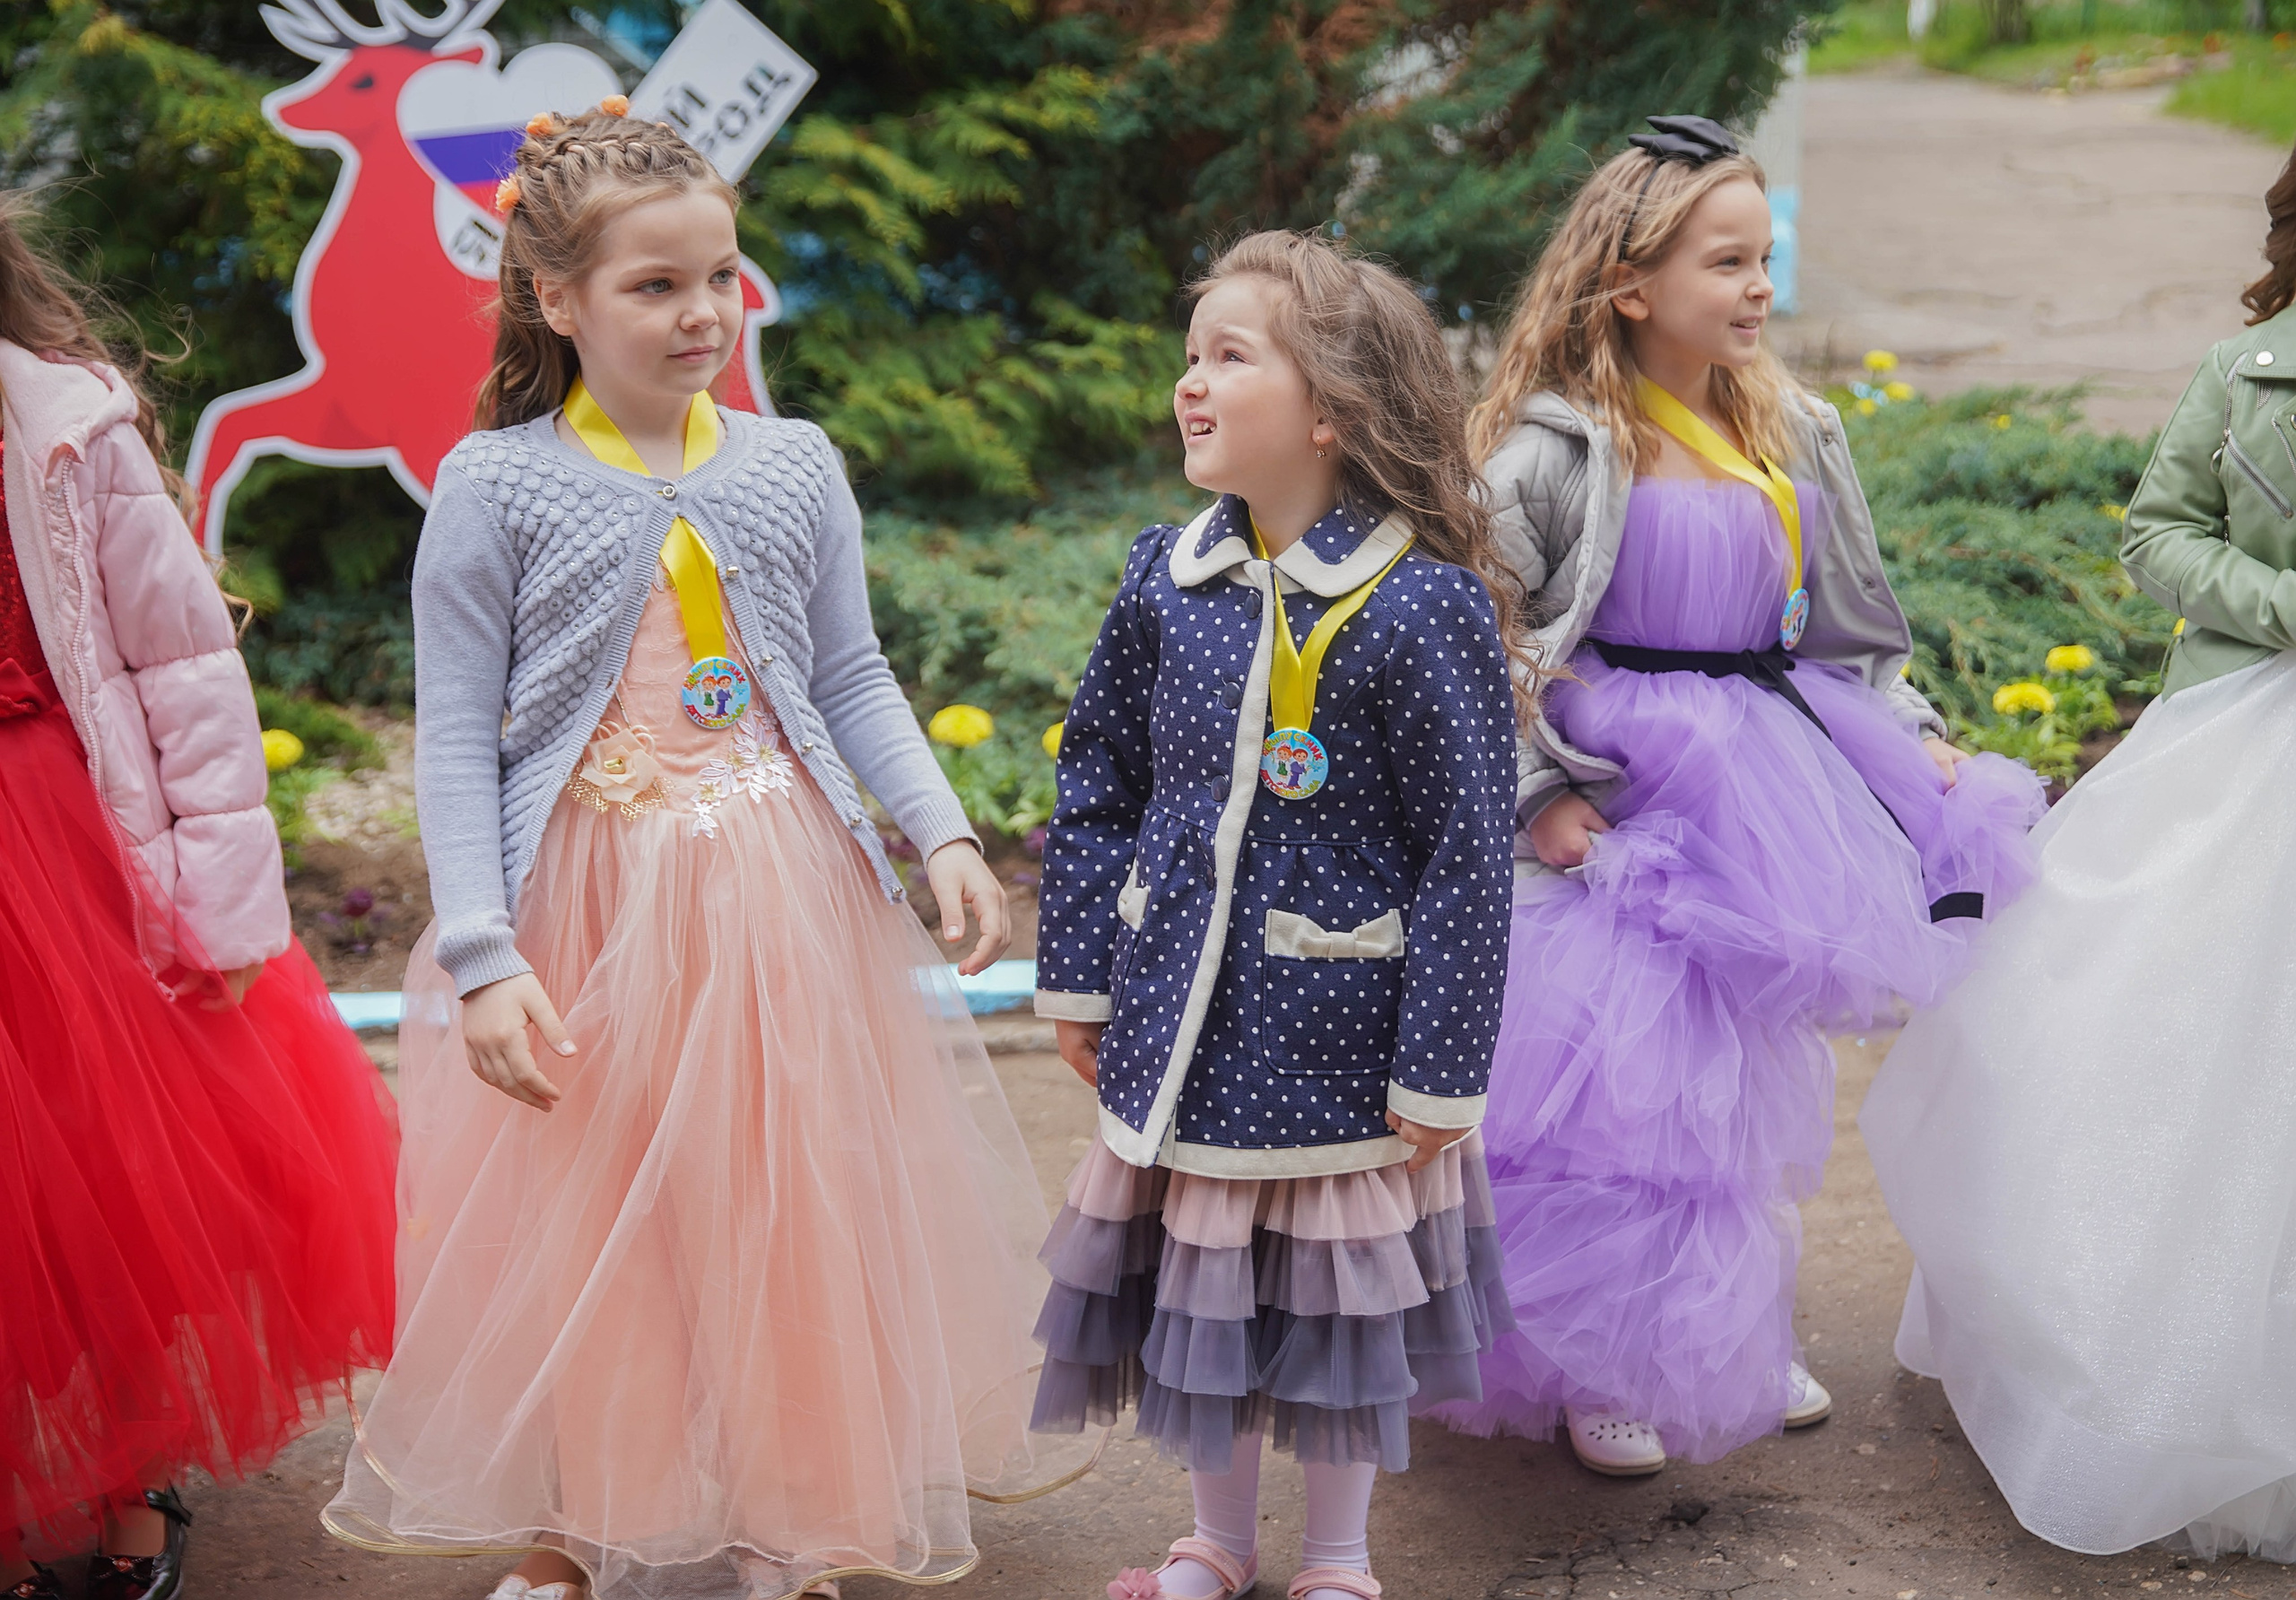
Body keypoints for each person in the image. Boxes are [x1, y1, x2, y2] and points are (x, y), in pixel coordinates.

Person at [321, 103, 1058, 1600]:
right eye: (655, 285)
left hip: (775, 899)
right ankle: (594, 1525)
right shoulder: (496, 486)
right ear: (558, 299)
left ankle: (800, 1516)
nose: (701, 312)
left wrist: (943, 830)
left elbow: (850, 673)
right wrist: (481, 954)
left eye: (720, 276)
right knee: (595, 1220)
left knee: (786, 1206)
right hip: (582, 909)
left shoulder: (793, 464)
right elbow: (456, 736)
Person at [1430, 117, 2044, 1477]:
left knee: (1743, 1080)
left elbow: (1853, 628)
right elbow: (1479, 636)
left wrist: (1912, 734)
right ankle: (1600, 1359)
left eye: (1766, 258)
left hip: (1768, 775)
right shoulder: (1551, 451)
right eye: (1726, 262)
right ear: (1628, 284)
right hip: (1619, 784)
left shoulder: (1794, 428)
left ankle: (1721, 1332)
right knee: (1622, 1094)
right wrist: (1536, 795)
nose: (1760, 286)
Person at [1030, 230, 1524, 1600]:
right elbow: (1098, 780)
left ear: (1331, 411)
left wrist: (1441, 1068)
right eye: (1190, 355)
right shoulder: (1166, 578)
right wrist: (1081, 978)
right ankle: (1218, 1543)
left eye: (1230, 357)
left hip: (1342, 1040)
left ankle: (1342, 1559)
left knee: (1330, 1307)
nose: (1189, 382)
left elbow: (1468, 854)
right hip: (1185, 1023)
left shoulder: (1420, 606)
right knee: (1206, 1296)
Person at [1861, 133, 2296, 1563]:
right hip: (2243, 733)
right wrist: (2281, 604)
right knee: (2180, 1033)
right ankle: (2157, 1393)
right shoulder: (2244, 375)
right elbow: (2156, 533)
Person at [0, 192, 398, 1600]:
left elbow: (182, 666)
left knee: (91, 1184)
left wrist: (224, 907)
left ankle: (120, 1472)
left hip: (60, 857)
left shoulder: (66, 426)